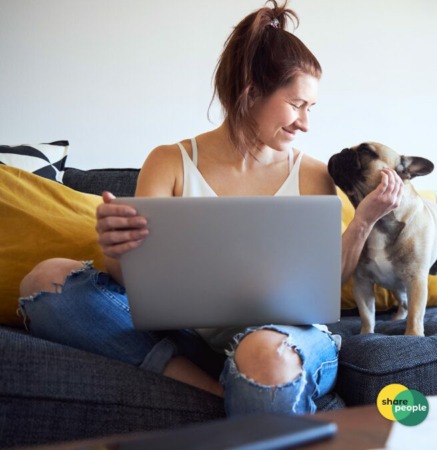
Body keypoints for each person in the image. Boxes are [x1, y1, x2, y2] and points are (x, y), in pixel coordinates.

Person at [17, 1, 403, 416]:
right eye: (296, 105)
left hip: (285, 341)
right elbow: (130, 282)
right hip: (189, 339)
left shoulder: (312, 175)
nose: (305, 123)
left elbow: (327, 283)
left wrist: (364, 219)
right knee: (45, 283)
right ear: (250, 92)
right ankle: (227, 395)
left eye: (311, 108)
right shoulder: (169, 162)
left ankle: (250, 385)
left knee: (262, 353)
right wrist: (117, 248)